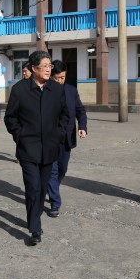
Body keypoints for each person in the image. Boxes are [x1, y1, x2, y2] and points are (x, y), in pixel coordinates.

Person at [5, 51, 69, 246]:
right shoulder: (20, 90)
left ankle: (34, 216)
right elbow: (10, 118)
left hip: (49, 149)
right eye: (45, 66)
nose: (49, 69)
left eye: (50, 65)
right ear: (34, 68)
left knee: (41, 189)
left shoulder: (56, 89)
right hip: (28, 149)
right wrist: (20, 135)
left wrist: (58, 134)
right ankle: (35, 229)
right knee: (33, 187)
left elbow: (65, 115)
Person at [47, 60, 87, 218]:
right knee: (52, 171)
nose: (59, 81)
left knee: (62, 169)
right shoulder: (44, 91)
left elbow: (80, 110)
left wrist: (82, 126)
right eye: (57, 78)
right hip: (50, 138)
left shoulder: (71, 91)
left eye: (62, 78)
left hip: (67, 137)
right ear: (51, 77)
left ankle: (52, 189)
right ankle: (55, 203)